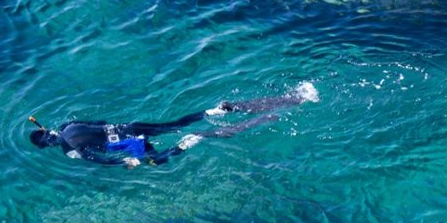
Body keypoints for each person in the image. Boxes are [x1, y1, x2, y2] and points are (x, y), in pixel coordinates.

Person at [28, 82, 319, 168]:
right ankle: (217, 109)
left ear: (47, 145)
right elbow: (101, 123)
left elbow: (96, 157)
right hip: (130, 126)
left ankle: (188, 143)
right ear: (47, 131)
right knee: (176, 122)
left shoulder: (68, 150)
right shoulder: (69, 125)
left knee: (156, 160)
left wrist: (124, 162)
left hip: (131, 142)